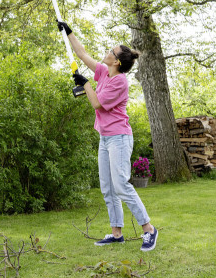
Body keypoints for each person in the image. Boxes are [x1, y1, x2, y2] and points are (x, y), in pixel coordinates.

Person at [58, 21, 158, 252]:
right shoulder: (103, 72)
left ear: (117, 61)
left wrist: (85, 84)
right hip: (105, 138)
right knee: (107, 187)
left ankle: (149, 229)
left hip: (119, 138)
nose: (107, 52)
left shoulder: (120, 82)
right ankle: (116, 234)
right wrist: (68, 32)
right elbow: (82, 54)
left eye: (111, 51)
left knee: (121, 185)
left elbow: (97, 104)